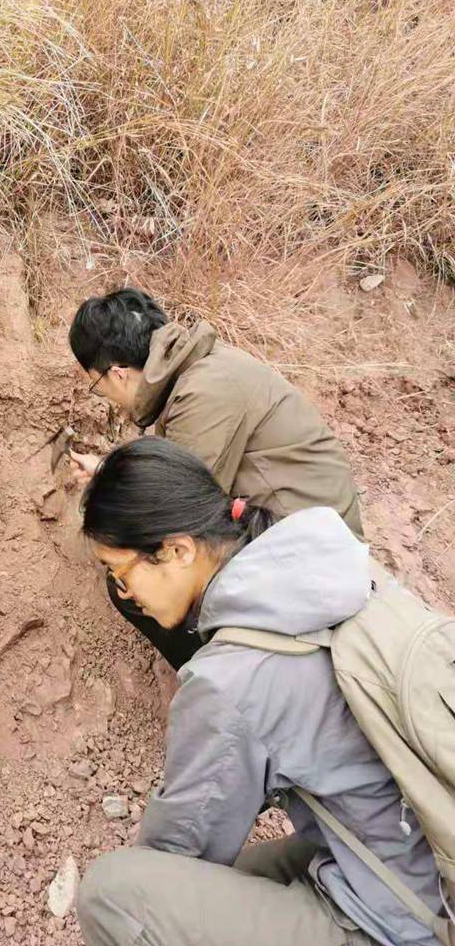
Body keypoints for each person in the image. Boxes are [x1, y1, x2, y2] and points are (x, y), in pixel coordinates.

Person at [76, 437, 454, 946]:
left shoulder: (234, 676)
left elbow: (179, 850)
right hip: (422, 865)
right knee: (243, 875)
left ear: (178, 551)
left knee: (116, 899)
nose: (125, 594)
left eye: (121, 573)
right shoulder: (333, 575)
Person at [68, 287, 364, 669]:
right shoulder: (204, 372)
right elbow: (180, 472)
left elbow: (170, 509)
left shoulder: (202, 394)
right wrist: (106, 471)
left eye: (99, 386)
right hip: (306, 529)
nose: (107, 397)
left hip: (314, 561)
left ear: (118, 373)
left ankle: (227, 676)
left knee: (137, 576)